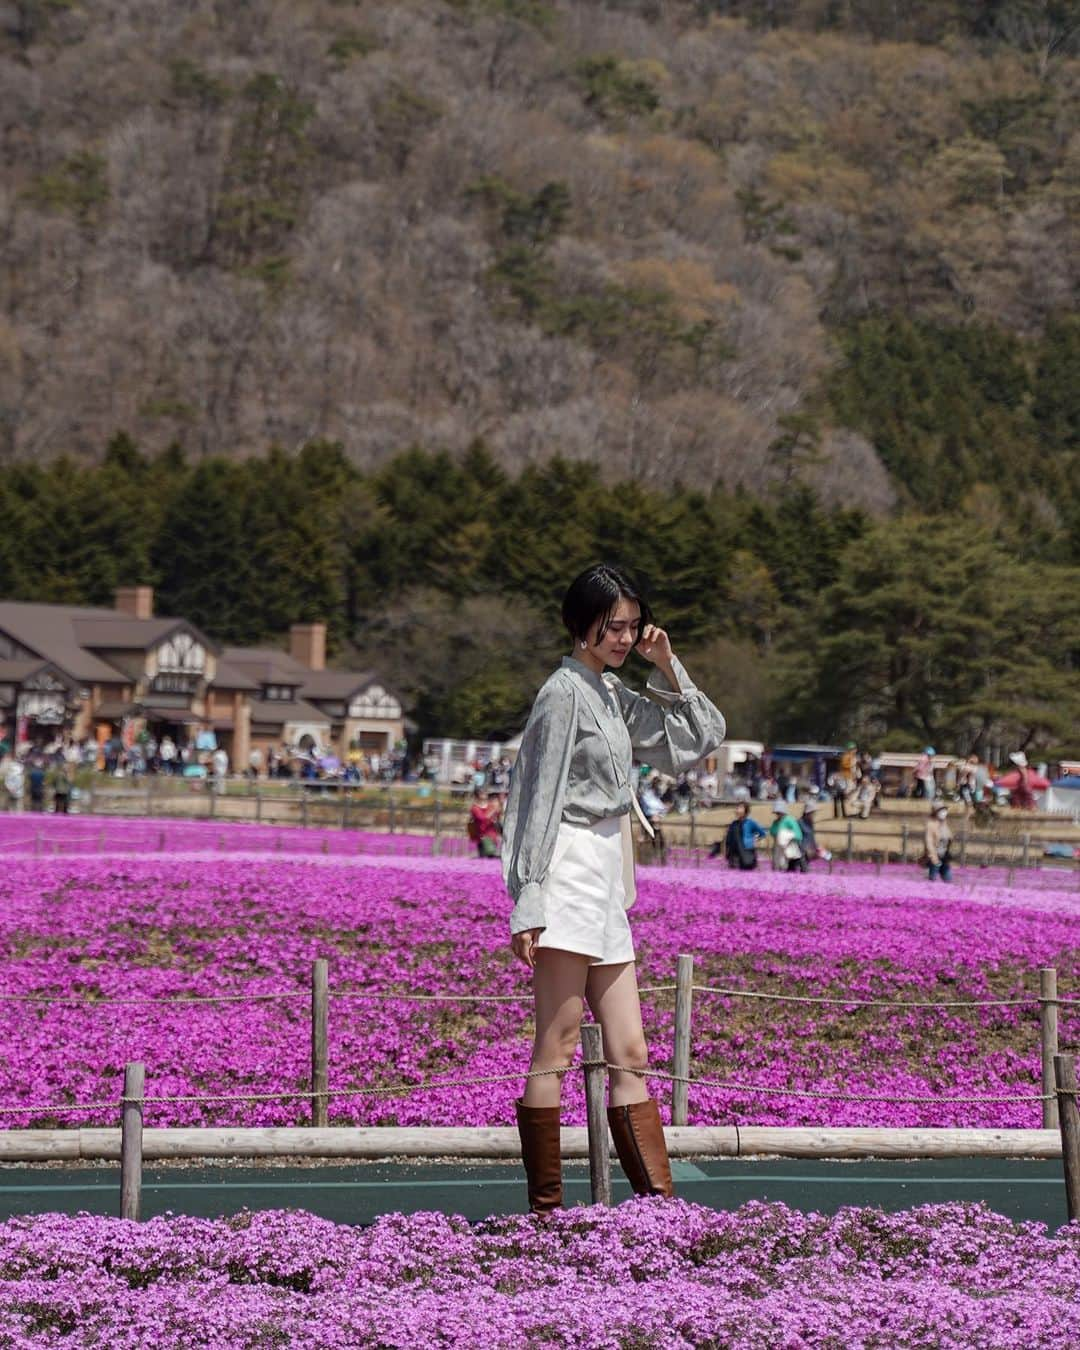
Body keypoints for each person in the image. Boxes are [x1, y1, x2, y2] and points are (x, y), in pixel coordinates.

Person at [503, 563, 725, 1215]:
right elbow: (534, 797)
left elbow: (697, 737)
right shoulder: (562, 693)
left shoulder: (611, 691)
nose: (625, 638)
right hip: (568, 864)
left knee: (631, 1050)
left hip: (606, 870)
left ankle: (658, 1214)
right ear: (581, 623)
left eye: (632, 627)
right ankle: (546, 1213)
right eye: (613, 627)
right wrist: (529, 899)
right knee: (559, 1045)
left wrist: (667, 664)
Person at [717, 801, 766, 869]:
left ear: (745, 811)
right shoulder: (734, 824)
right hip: (734, 851)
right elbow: (728, 839)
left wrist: (755, 839)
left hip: (747, 850)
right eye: (737, 808)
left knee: (746, 866)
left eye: (740, 808)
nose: (737, 809)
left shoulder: (750, 822)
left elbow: (762, 833)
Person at [768, 799, 804, 872]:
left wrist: (788, 836)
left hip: (789, 847)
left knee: (788, 867)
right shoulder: (776, 822)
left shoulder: (790, 820)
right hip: (778, 848)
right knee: (777, 865)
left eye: (779, 812)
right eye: (777, 813)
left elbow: (798, 834)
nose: (778, 814)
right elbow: (772, 831)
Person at [467, 786, 502, 858]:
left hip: (493, 836)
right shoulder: (475, 808)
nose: (484, 794)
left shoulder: (490, 805)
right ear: (477, 794)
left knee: (491, 857)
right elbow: (482, 818)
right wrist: (493, 810)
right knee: (487, 856)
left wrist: (498, 808)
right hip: (482, 837)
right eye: (482, 792)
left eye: (485, 792)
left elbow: (497, 815)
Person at [924, 802, 952, 882]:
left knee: (948, 879)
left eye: (944, 810)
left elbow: (949, 839)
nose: (944, 812)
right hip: (935, 857)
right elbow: (929, 842)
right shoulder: (930, 824)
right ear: (935, 812)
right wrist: (933, 857)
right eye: (941, 810)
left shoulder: (945, 824)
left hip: (944, 857)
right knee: (933, 879)